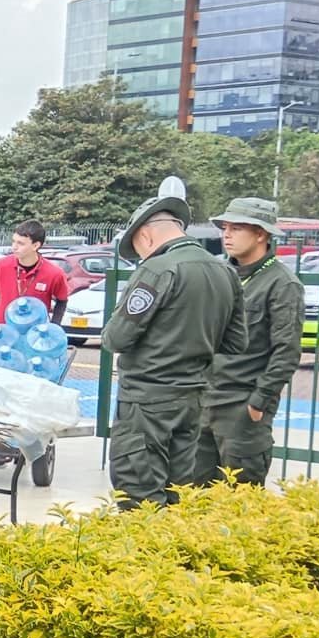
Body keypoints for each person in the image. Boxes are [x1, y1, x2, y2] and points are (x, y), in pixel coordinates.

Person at [103, 189, 243, 507]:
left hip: (146, 404)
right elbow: (236, 343)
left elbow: (116, 338)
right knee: (177, 494)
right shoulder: (225, 272)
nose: (142, 257)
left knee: (139, 498)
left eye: (139, 249)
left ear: (147, 235)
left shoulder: (158, 269)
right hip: (192, 401)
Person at [198, 197, 304, 486]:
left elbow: (287, 352)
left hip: (242, 406)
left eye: (237, 228)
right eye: (225, 227)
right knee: (192, 497)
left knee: (238, 497)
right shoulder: (220, 273)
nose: (227, 234)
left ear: (261, 234)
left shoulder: (281, 284)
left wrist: (258, 403)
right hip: (203, 399)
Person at [0, 218, 70, 326]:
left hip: (34, 335)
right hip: (4, 332)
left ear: (36, 245)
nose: (14, 247)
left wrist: (53, 327)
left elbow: (62, 301)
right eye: (13, 241)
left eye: (21, 243)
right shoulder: (0, 265)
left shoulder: (54, 273)